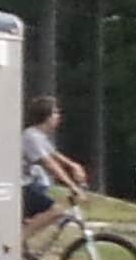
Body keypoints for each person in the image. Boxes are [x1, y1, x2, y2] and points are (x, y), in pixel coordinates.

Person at [22, 96, 89, 235]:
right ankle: (18, 242)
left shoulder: (39, 136)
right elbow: (49, 164)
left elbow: (54, 155)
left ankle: (24, 242)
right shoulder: (31, 137)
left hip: (29, 184)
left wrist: (73, 165)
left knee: (40, 204)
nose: (58, 116)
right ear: (46, 117)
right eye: (55, 113)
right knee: (56, 210)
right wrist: (73, 187)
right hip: (21, 186)